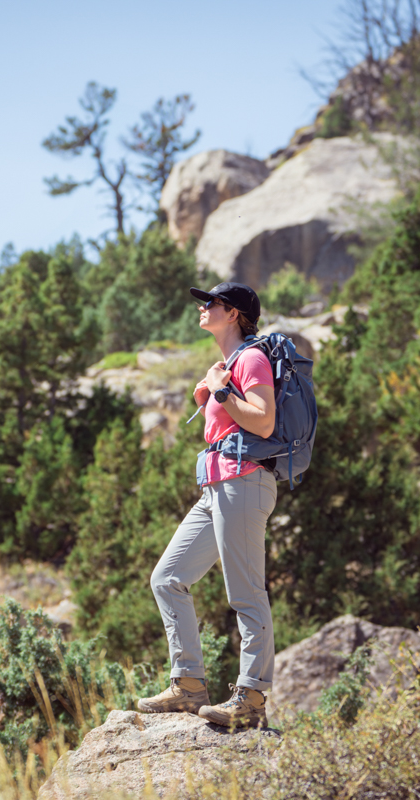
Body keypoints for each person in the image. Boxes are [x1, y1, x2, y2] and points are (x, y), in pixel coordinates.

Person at [136, 281, 277, 729]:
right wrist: (216, 386)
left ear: (233, 313)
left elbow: (264, 419)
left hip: (244, 483)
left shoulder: (252, 358)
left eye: (211, 303)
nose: (203, 308)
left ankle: (251, 697)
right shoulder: (228, 363)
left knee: (246, 594)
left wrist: (220, 392)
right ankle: (189, 685)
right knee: (167, 578)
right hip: (216, 488)